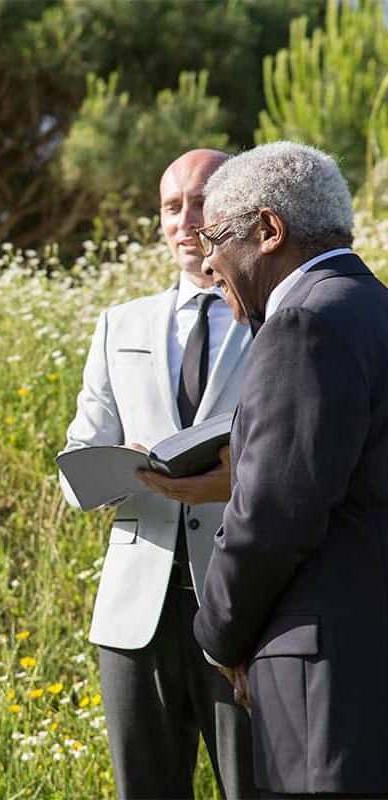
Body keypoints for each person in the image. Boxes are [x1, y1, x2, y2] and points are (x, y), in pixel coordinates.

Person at [193, 141, 388, 798]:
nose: (207, 263)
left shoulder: (304, 324)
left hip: (326, 691)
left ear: (269, 231)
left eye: (215, 240)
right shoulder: (376, 312)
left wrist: (218, 635)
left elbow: (273, 518)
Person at [60, 149, 256, 799]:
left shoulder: (278, 318)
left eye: (201, 202)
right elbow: (77, 460)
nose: (186, 219)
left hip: (245, 606)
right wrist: (122, 468)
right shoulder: (120, 324)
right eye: (173, 206)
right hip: (133, 614)